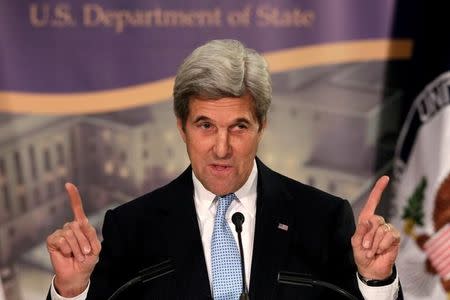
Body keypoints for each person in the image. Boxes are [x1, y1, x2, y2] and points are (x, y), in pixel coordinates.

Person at [46, 39, 402, 299]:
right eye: (205, 126)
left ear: (261, 125)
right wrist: (72, 289)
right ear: (181, 127)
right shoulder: (132, 227)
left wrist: (375, 281)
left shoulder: (322, 218)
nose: (221, 147)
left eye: (239, 126)